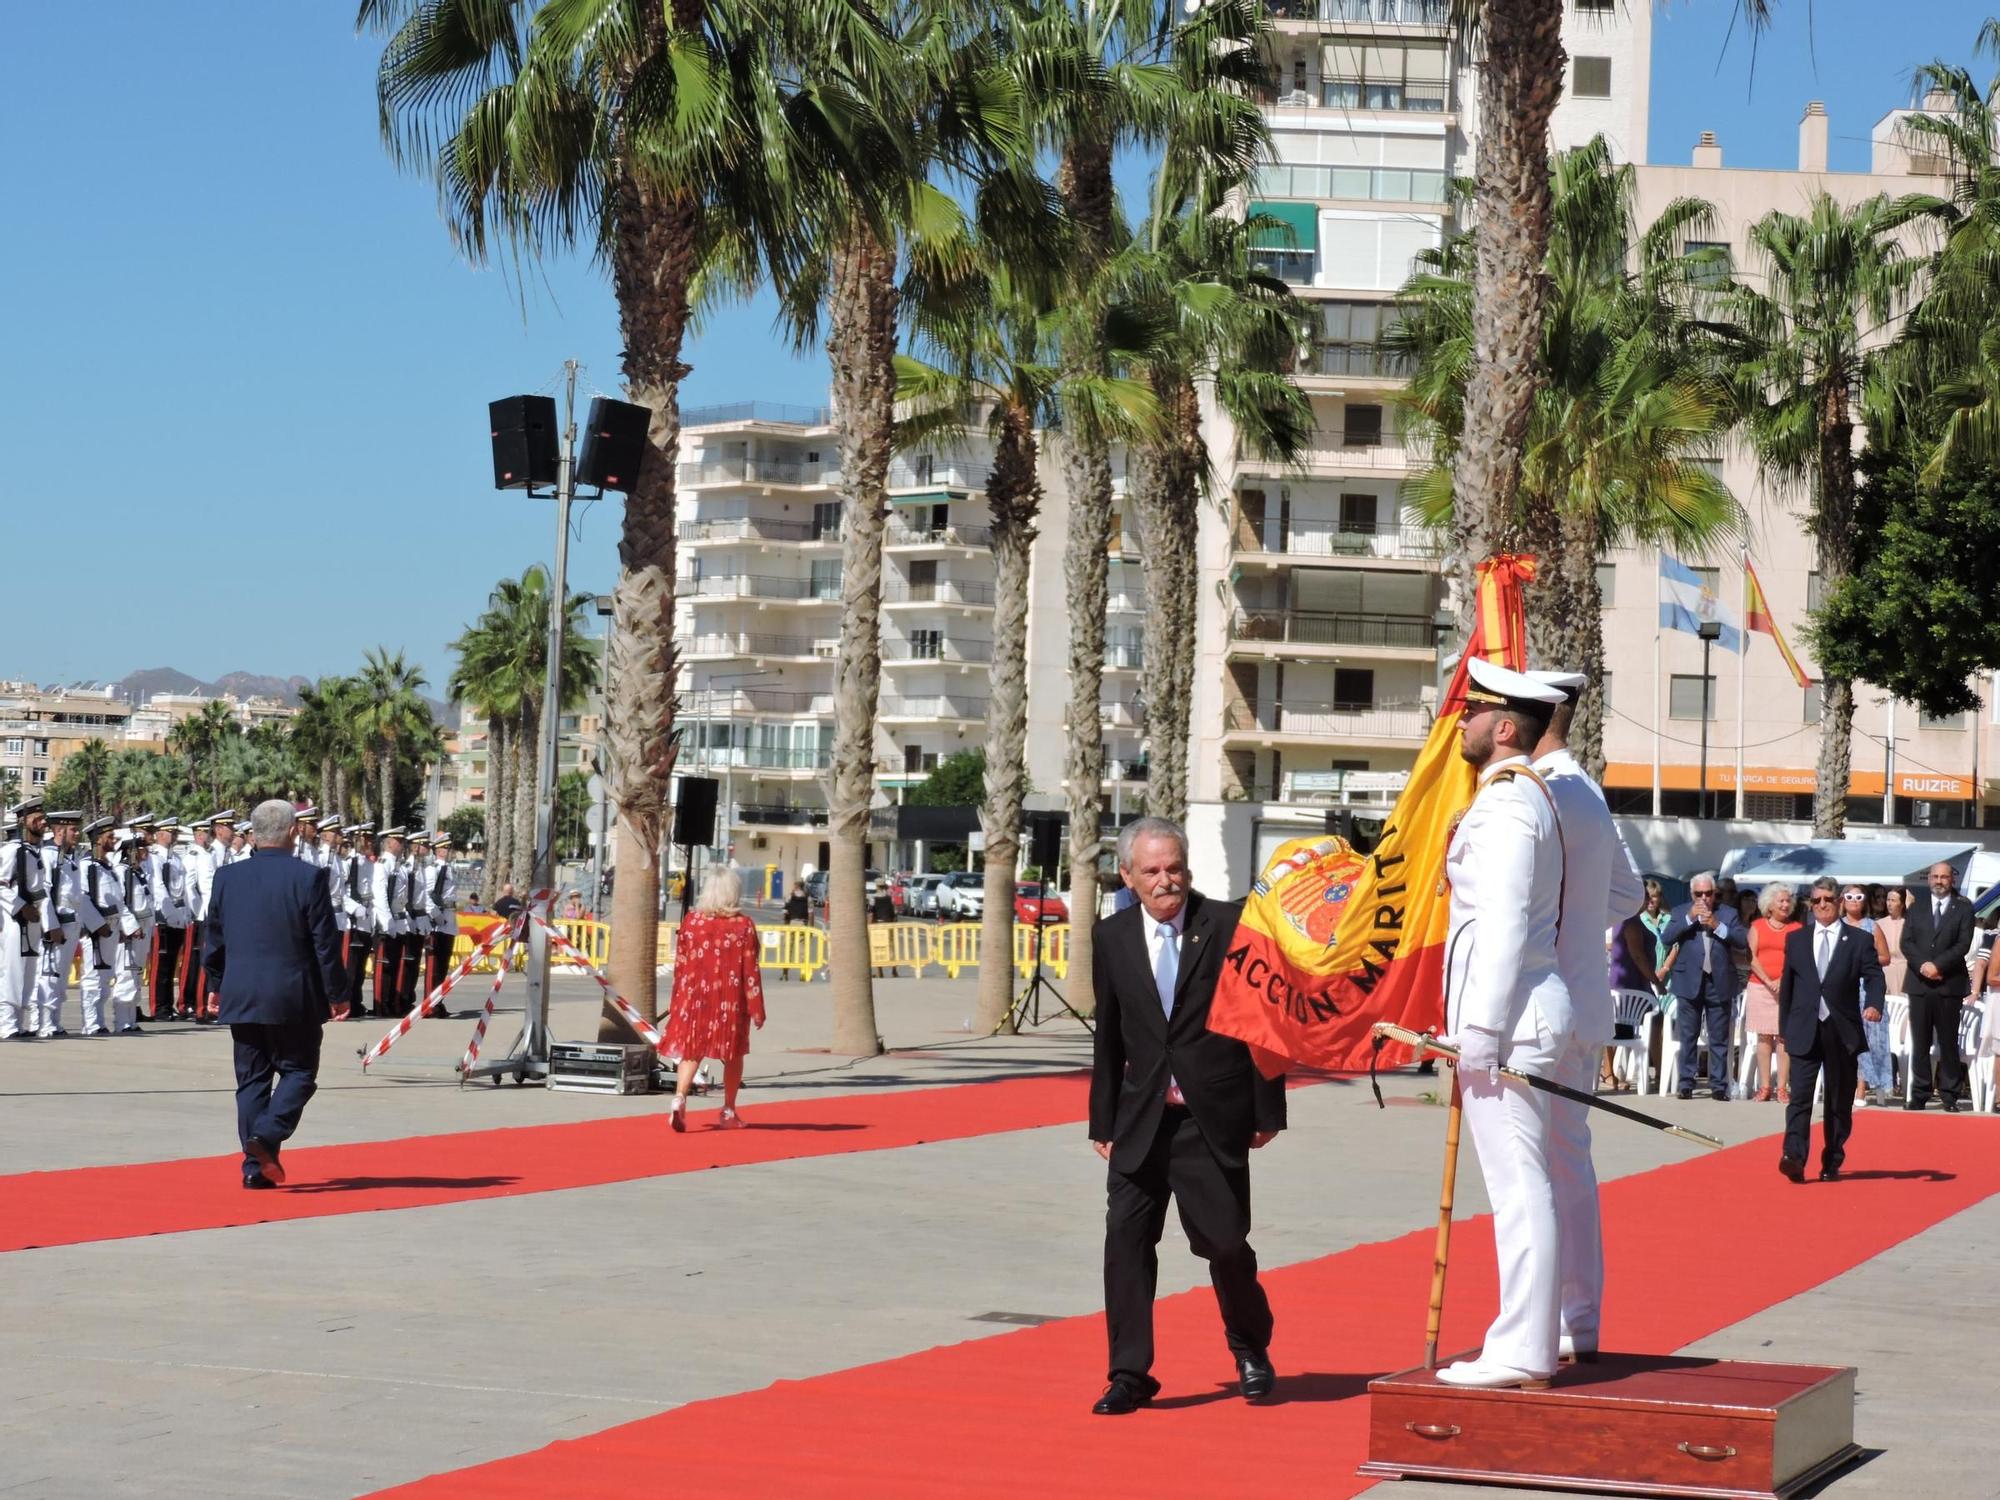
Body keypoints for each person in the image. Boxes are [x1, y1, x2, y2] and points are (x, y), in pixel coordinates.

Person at [1089, 815, 1283, 1413]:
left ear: (1187, 867)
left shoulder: (1228, 925)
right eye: (1151, 870)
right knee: (1126, 1243)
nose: (1165, 880)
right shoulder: (1111, 935)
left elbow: (1263, 1020)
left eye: (1173, 867)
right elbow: (1110, 1036)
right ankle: (1129, 1374)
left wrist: (1267, 1107)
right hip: (1140, 1120)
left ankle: (1250, 1346)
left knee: (1225, 1246)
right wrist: (1102, 1121)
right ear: (1127, 875)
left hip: (1211, 1119)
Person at [1436, 660, 1570, 1390]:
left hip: (1510, 1021)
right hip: (1511, 1017)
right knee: (1519, 1185)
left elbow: (1506, 927)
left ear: (1506, 727)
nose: (1460, 722)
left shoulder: (1511, 805)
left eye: (1472, 712)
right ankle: (1524, 1340)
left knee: (1521, 1188)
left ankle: (1522, 1347)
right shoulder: (1503, 799)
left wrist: (1479, 1032)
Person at [1525, 667, 1644, 1366]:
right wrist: (1573, 933)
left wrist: (1550, 931)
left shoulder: (1536, 790)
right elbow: (1627, 893)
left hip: (1537, 1007)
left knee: (1529, 1171)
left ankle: (1538, 1327)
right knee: (1568, 1164)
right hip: (1581, 1002)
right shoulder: (1587, 790)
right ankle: (1579, 1319)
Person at [202, 799, 346, 1190]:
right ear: (293, 832)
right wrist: (338, 993)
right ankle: (266, 1137)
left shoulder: (227, 878)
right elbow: (325, 943)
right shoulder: (309, 877)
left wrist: (215, 985)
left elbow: (213, 938)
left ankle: (254, 1167)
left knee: (252, 1081)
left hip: (242, 993)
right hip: (292, 996)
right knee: (299, 1072)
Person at [1777, 877, 1884, 1183]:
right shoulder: (1797, 939)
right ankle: (1794, 1156)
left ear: (1838, 902)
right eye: (1815, 900)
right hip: (1804, 1028)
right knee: (1800, 1098)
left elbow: (1875, 977)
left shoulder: (1859, 940)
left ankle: (1832, 1158)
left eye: (1827, 899)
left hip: (1841, 1030)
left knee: (1838, 1100)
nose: (1821, 905)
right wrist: (1785, 1026)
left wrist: (1875, 1004)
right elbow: (1789, 985)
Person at [662, 867, 766, 1132]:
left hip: (695, 997)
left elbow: (681, 964)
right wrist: (756, 1008)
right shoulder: (743, 926)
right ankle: (729, 1110)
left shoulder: (692, 922)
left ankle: (680, 1097)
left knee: (691, 1049)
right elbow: (750, 970)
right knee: (734, 1052)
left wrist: (678, 1001)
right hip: (729, 1000)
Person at [1659, 871, 1747, 1100]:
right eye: (1699, 894)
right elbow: (1666, 938)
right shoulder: (1680, 912)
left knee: (1719, 1037)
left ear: (1714, 893)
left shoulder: (1728, 913)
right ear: (1692, 894)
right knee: (1688, 1034)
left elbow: (1741, 940)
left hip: (1718, 981)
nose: (1704, 899)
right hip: (1688, 981)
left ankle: (1719, 1085)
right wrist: (1689, 918)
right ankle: (1686, 1083)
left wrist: (1718, 926)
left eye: (1708, 893)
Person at [1900, 861, 1974, 1112]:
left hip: (1948, 984)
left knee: (1948, 1042)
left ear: (1952, 879)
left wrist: (1938, 966)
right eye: (1935, 877)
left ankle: (1950, 1095)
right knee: (1919, 1042)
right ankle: (1919, 1094)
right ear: (1928, 879)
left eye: (1944, 877)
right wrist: (1923, 966)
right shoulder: (1916, 908)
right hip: (1919, 984)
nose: (1939, 881)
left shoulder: (1963, 908)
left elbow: (1963, 943)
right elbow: (1906, 943)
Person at [31, 809, 88, 1038]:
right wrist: (50, 925)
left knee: (60, 977)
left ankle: (54, 1021)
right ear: (59, 830)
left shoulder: (70, 856)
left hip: (70, 924)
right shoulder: (48, 855)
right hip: (56, 927)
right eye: (73, 829)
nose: (77, 833)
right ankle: (42, 1023)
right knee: (48, 976)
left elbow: (76, 894)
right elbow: (44, 894)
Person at [1743, 883, 1799, 1102]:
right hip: (1760, 986)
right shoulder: (1757, 926)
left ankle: (1782, 1088)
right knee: (1764, 1037)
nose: (1785, 905)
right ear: (1769, 905)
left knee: (1783, 1037)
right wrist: (1768, 981)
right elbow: (1751, 957)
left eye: (1787, 901)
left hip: (1786, 988)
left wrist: (1782, 980)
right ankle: (1765, 1086)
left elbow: (1797, 958)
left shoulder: (1796, 928)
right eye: (1781, 901)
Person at [1, 797, 52, 1040]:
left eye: (43, 818)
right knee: (12, 972)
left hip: (32, 921)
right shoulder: (13, 851)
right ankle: (7, 1024)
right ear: (24, 822)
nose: (43, 823)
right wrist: (20, 907)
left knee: (28, 974)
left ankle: (19, 1025)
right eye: (37, 819)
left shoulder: (34, 853)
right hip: (15, 921)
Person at [1858, 886, 1905, 1107]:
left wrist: (1861, 961)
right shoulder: (1836, 927)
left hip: (1869, 984)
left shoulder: (1871, 926)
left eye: (1858, 897)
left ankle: (1867, 1088)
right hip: (1841, 988)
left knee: (1870, 1041)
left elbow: (1884, 957)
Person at [147, 819, 191, 1020]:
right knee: (160, 965)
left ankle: (167, 1005)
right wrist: (170, 914)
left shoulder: (175, 858)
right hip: (163, 918)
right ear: (159, 834)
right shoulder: (154, 857)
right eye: (169, 832)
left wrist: (184, 915)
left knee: (172, 962)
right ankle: (159, 1007)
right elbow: (158, 888)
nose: (173, 835)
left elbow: (181, 889)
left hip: (177, 917)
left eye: (175, 832)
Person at [340, 823, 377, 1018]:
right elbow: (340, 891)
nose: (370, 843)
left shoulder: (369, 864)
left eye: (371, 839)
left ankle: (356, 1001)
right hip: (352, 921)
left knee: (361, 968)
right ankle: (348, 1003)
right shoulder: (348, 863)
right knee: (350, 968)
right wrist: (355, 908)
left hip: (365, 920)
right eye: (366, 839)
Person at [425, 833, 460, 1006]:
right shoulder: (434, 869)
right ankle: (430, 1004)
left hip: (449, 918)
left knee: (443, 966)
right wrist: (436, 916)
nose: (448, 850)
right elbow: (428, 894)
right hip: (438, 922)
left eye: (449, 847)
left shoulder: (450, 869)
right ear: (437, 850)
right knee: (434, 967)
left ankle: (438, 1001)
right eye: (445, 847)